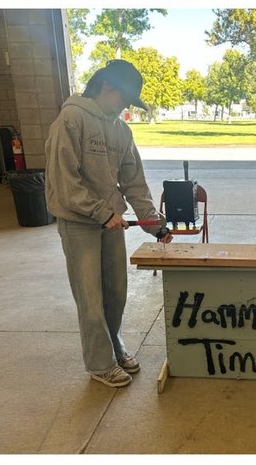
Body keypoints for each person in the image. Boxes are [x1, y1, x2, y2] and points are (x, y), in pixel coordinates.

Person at [45, 60, 173, 389]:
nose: (124, 109)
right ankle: (100, 363)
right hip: (79, 223)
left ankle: (113, 345)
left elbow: (133, 182)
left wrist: (155, 224)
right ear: (106, 87)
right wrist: (101, 213)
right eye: (123, 100)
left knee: (115, 292)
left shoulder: (121, 130)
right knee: (90, 296)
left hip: (110, 223)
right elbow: (64, 182)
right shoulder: (71, 119)